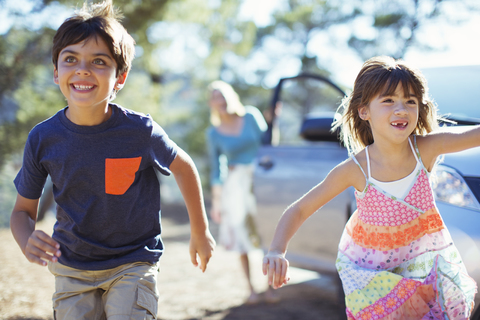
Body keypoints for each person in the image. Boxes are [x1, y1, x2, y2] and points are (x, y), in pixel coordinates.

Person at [10, 1, 215, 319]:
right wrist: (26, 240)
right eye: (70, 59)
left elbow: (184, 168)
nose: (82, 69)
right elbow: (22, 212)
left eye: (99, 61)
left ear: (120, 77)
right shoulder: (43, 138)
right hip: (71, 267)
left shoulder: (140, 131)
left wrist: (199, 231)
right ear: (56, 73)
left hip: (132, 262)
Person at [262, 56, 478, 319]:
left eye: (410, 101)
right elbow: (298, 210)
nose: (401, 109)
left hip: (422, 269)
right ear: (364, 111)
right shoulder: (355, 169)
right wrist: (276, 249)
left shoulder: (426, 149)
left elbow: (474, 135)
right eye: (388, 100)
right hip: (375, 279)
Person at [206, 80, 278, 304]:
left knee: (268, 229)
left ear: (231, 96)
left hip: (261, 178)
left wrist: (273, 121)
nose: (221, 100)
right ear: (212, 104)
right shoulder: (213, 133)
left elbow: (269, 143)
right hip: (235, 185)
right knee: (241, 234)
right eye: (216, 97)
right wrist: (216, 202)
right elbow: (216, 169)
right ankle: (251, 288)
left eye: (223, 95)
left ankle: (271, 286)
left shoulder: (251, 116)